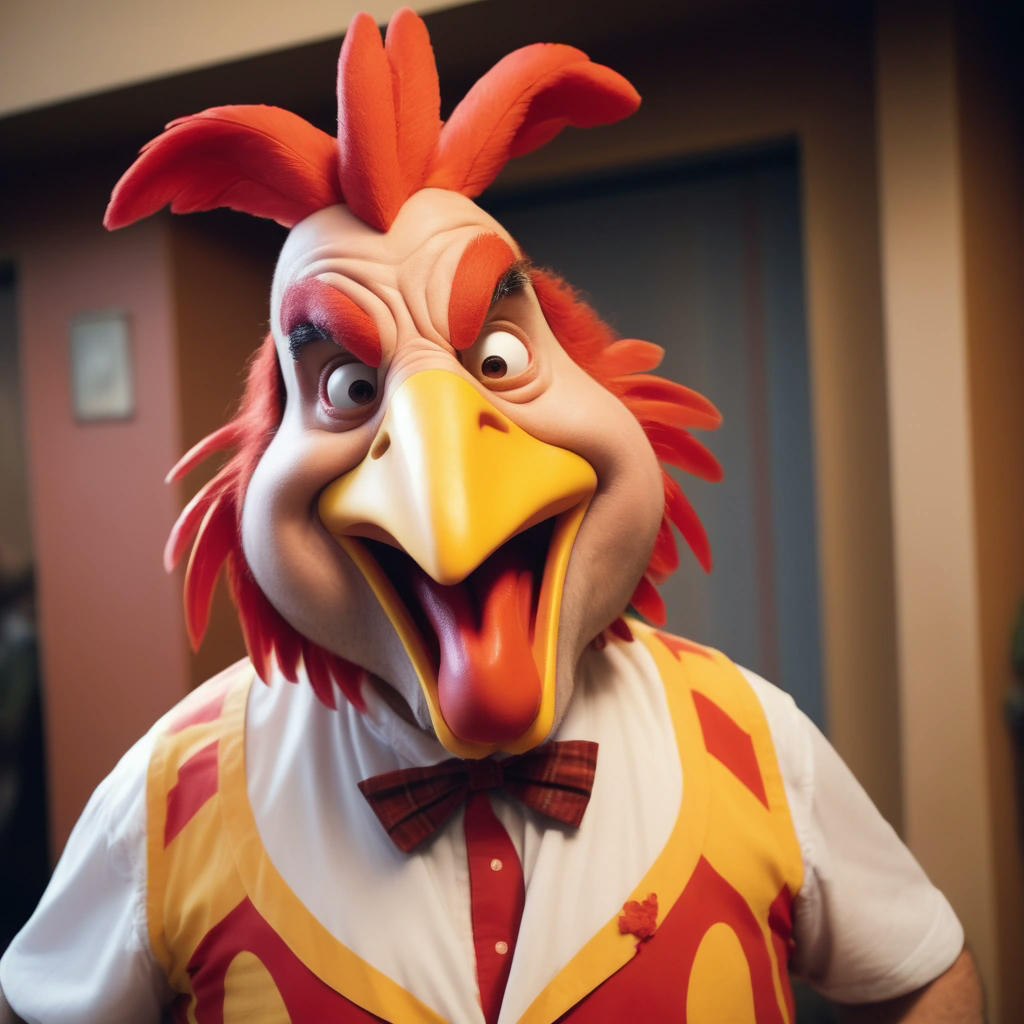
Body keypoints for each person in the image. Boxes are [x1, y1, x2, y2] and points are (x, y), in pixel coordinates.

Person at [0, 9, 983, 1022]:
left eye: (498, 363)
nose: (443, 468)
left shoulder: (752, 739)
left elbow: (923, 972)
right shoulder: (175, 790)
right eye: (346, 388)